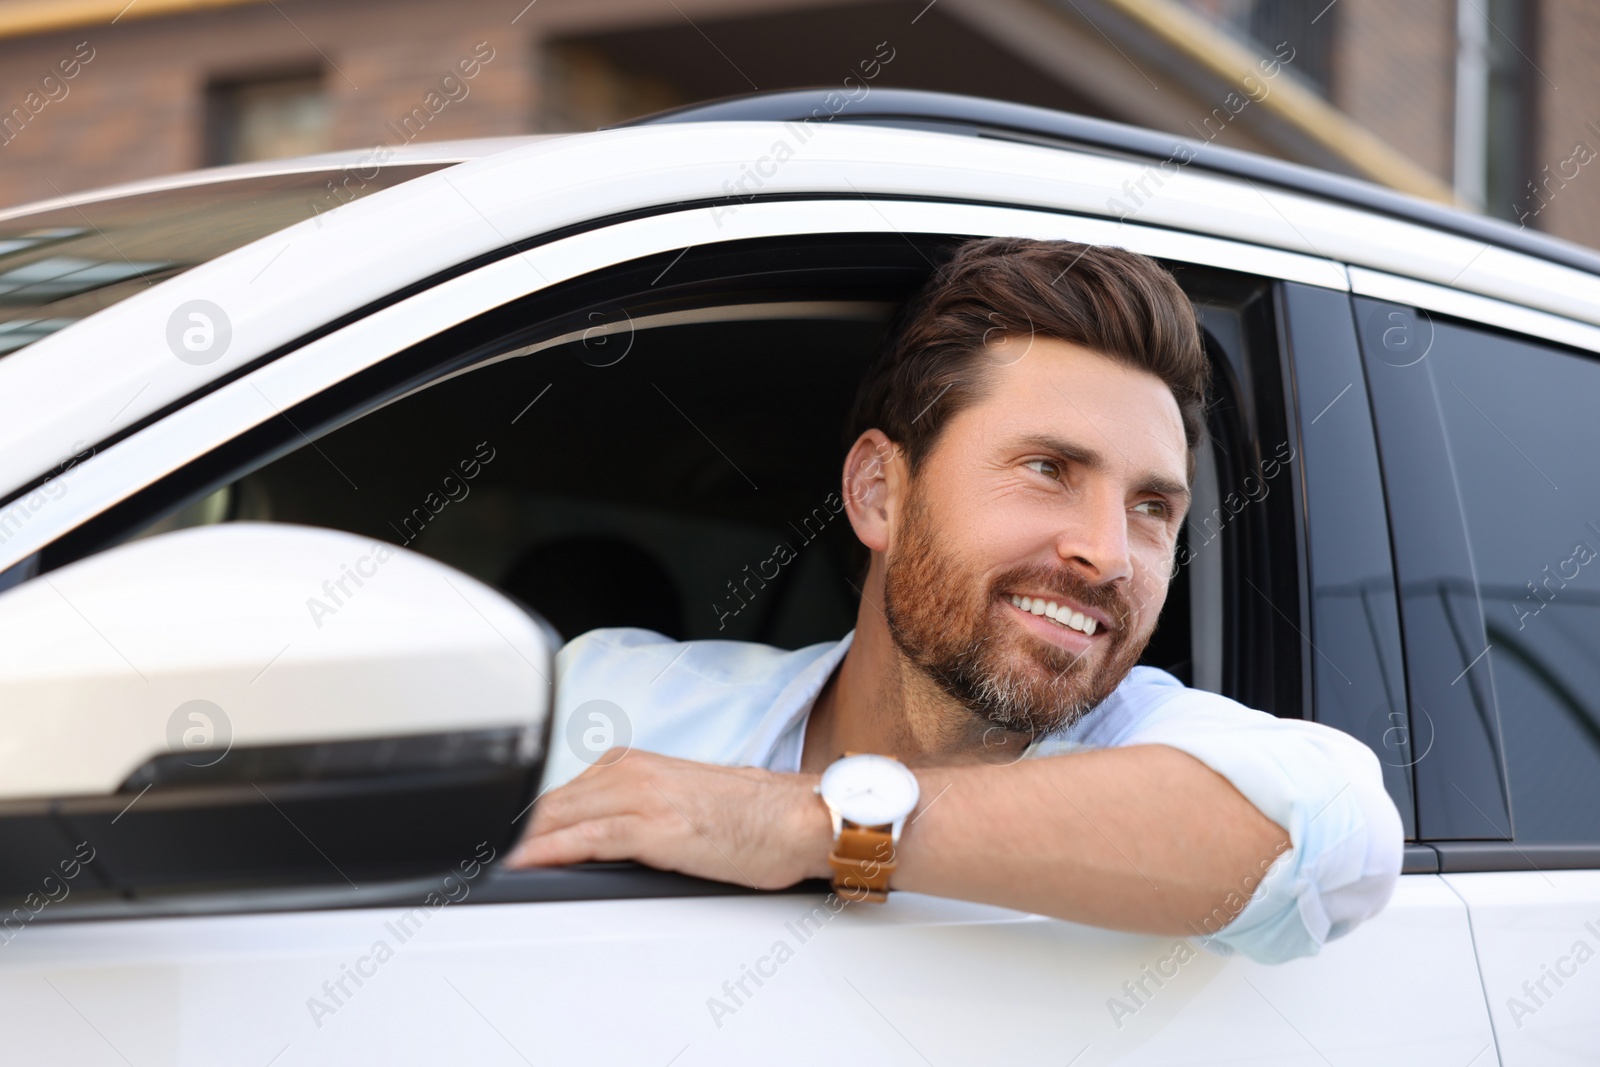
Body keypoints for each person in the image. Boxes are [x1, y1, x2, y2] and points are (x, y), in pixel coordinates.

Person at [506, 236, 1402, 963]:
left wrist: (806, 821)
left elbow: (1332, 833)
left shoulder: (1163, 752)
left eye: (1152, 507)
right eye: (1048, 468)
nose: (1109, 553)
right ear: (877, 493)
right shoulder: (618, 699)